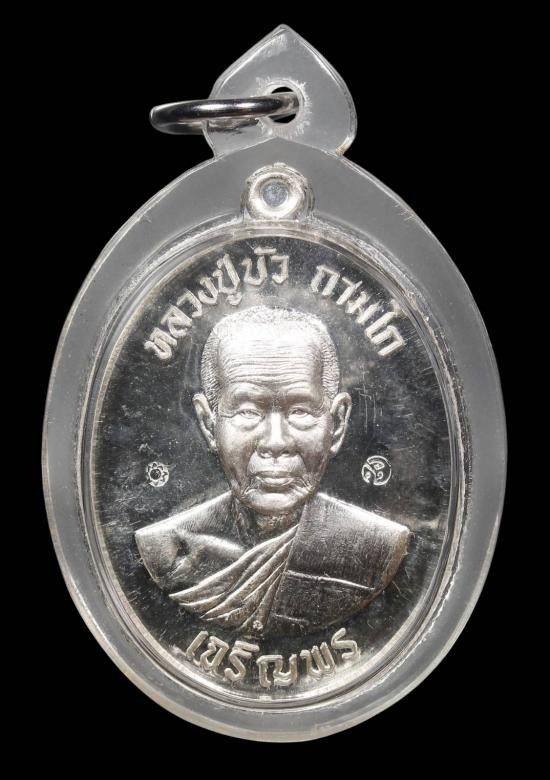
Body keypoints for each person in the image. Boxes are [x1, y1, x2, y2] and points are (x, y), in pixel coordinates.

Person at [136, 305, 410, 637]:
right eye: (248, 411)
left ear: (337, 424)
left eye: (301, 411)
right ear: (209, 424)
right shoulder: (164, 549)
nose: (276, 443)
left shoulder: (377, 550)